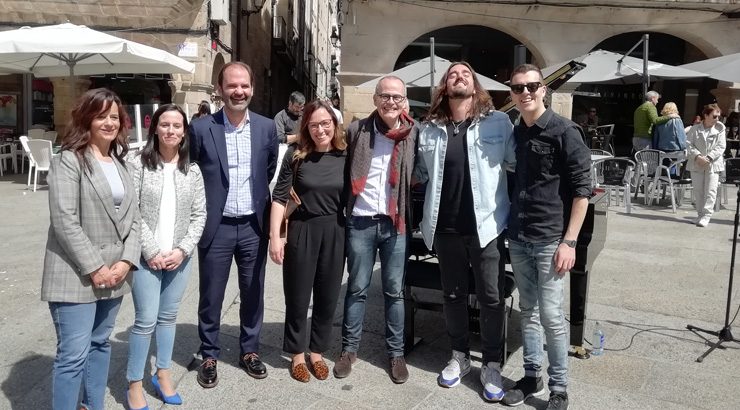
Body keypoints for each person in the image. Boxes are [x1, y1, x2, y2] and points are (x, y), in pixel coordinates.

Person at [413, 62, 515, 402]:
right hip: (445, 227)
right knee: (452, 295)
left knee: (490, 297)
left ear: (475, 86)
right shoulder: (429, 128)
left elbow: (517, 164)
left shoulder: (498, 122)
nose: (459, 77)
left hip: (486, 225)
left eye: (467, 74)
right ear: (445, 86)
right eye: (453, 74)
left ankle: (490, 363)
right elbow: (418, 174)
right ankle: (459, 357)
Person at [41, 88, 140, 410]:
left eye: (114, 116)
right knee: (72, 355)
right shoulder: (69, 160)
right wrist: (96, 267)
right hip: (76, 275)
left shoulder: (121, 163)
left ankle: (93, 405)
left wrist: (126, 261)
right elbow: (64, 220)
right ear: (86, 118)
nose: (109, 123)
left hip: (115, 274)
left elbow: (135, 219)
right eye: (101, 116)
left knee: (100, 345)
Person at [503, 64, 591, 410]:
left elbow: (582, 192)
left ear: (544, 90)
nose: (525, 92)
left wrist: (569, 242)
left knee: (552, 316)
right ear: (511, 94)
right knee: (528, 310)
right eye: (518, 88)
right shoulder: (516, 131)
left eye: (532, 86)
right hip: (519, 234)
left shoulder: (564, 131)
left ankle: (559, 388)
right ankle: (531, 375)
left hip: (550, 237)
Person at [189, 61, 278, 388]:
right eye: (231, 86)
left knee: (253, 291)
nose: (238, 91)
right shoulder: (200, 128)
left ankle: (249, 350)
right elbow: (193, 173)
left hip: (254, 226)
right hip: (217, 226)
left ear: (252, 89)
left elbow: (267, 171)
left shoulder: (268, 128)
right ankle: (209, 353)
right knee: (211, 294)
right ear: (219, 89)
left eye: (244, 86)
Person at [333, 75, 416, 384]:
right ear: (375, 99)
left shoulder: (412, 133)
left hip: (396, 223)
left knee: (394, 291)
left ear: (404, 101)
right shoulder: (357, 130)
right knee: (357, 288)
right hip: (361, 221)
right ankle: (348, 350)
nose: (391, 102)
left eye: (397, 97)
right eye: (385, 96)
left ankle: (396, 353)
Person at [126, 104, 206, 408]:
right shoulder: (138, 164)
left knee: (168, 317)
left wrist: (182, 250)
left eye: (177, 126)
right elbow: (131, 213)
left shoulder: (192, 170)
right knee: (145, 320)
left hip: (179, 258)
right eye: (165, 125)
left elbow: (200, 214)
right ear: (155, 129)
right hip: (147, 257)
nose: (171, 131)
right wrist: (153, 251)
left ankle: (162, 373)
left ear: (184, 131)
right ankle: (134, 382)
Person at [269, 100, 348, 383]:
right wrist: (275, 237)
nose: (320, 129)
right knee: (298, 296)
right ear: (306, 127)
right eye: (313, 125)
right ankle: (296, 355)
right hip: (302, 227)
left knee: (327, 296)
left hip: (336, 230)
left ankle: (317, 352)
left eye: (325, 123)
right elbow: (279, 196)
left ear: (334, 125)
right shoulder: (296, 154)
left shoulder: (345, 155)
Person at [686, 103, 726, 227]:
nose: (717, 119)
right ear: (706, 115)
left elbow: (721, 146)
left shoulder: (720, 129)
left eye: (718, 116)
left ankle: (706, 215)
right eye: (714, 116)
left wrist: (709, 157)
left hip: (712, 164)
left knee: (711, 191)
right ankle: (699, 214)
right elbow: (688, 144)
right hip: (697, 163)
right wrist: (697, 156)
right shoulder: (695, 129)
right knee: (698, 190)